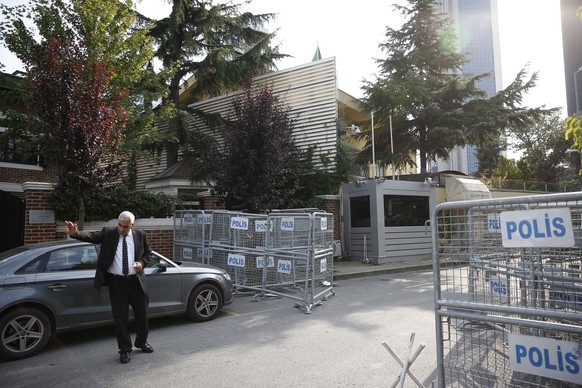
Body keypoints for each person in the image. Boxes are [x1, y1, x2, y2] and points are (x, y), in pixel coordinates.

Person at [64, 211, 154, 364]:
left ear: (132, 225)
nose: (121, 229)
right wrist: (75, 233)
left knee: (142, 315)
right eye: (119, 225)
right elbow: (91, 237)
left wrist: (142, 263)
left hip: (136, 282)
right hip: (117, 283)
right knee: (120, 318)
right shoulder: (108, 233)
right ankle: (125, 350)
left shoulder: (140, 235)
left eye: (125, 226)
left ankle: (141, 342)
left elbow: (148, 254)